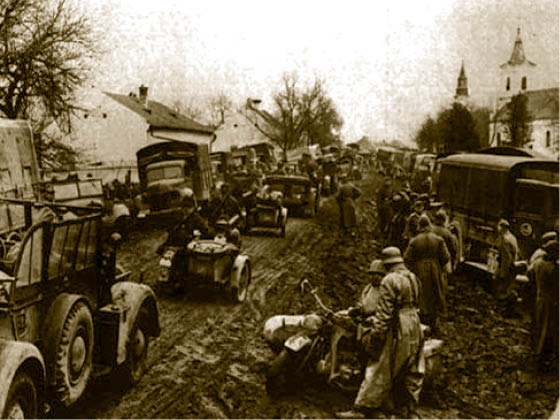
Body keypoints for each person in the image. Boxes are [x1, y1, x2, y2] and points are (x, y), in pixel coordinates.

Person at [337, 247, 424, 419]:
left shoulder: (389, 280)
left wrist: (376, 339)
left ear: (386, 264)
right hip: (414, 322)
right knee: (412, 368)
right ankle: (407, 409)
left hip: (397, 324)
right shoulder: (412, 277)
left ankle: (361, 408)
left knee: (379, 367)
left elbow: (384, 315)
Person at [404, 214, 450, 334]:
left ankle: (420, 322)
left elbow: (407, 258)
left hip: (419, 270)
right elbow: (446, 257)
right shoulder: (438, 240)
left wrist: (414, 265)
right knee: (435, 293)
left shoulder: (415, 240)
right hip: (435, 270)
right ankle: (433, 322)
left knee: (420, 294)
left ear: (419, 225)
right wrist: (437, 264)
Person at [531, 239, 559, 361]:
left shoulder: (538, 263)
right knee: (547, 326)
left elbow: (529, 275)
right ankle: (541, 352)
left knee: (539, 323)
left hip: (539, 296)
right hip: (549, 300)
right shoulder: (553, 268)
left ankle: (536, 349)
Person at [492, 219, 519, 304]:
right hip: (512, 266)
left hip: (506, 267)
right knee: (508, 287)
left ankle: (501, 305)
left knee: (502, 289)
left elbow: (506, 258)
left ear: (502, 227)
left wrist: (503, 274)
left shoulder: (505, 240)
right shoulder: (512, 237)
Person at [431, 209, 458, 276]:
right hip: (442, 262)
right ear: (444, 220)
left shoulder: (430, 229)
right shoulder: (447, 233)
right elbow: (453, 249)